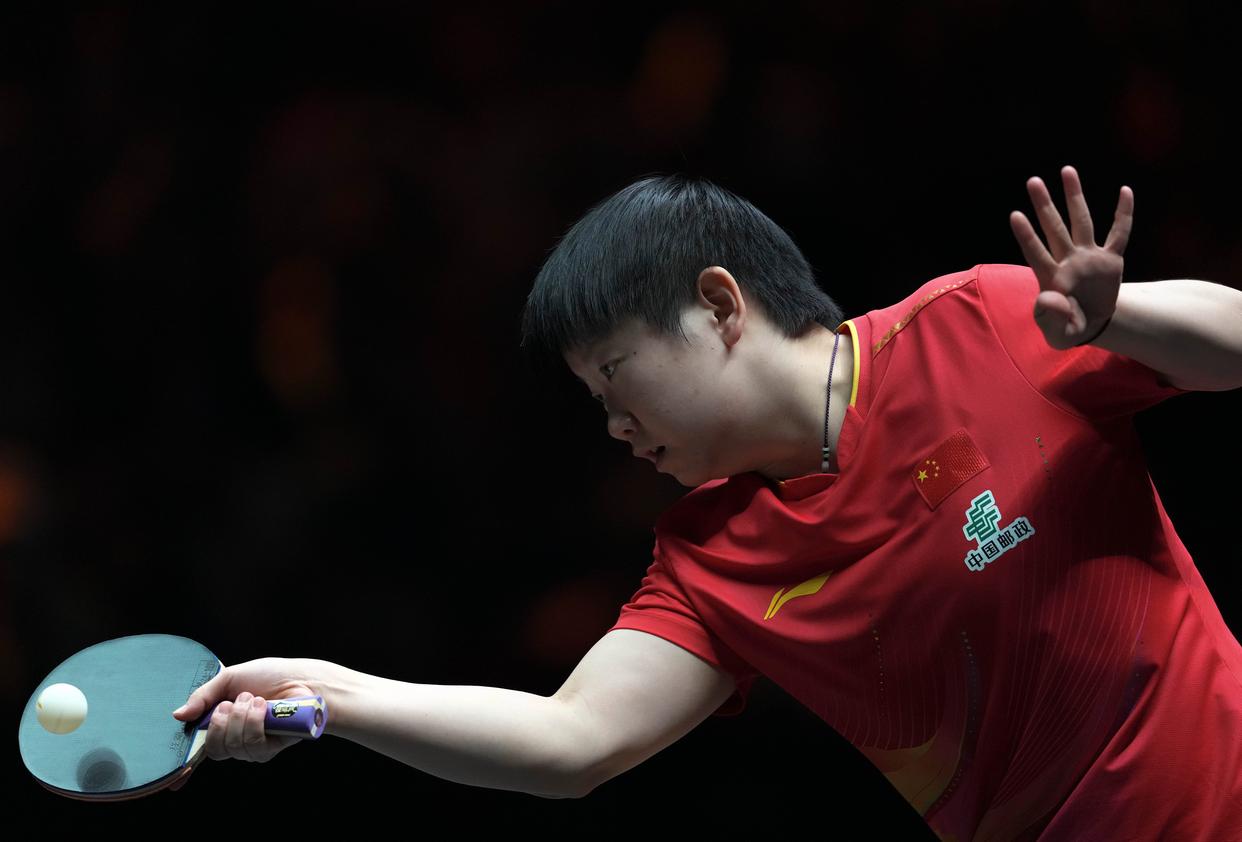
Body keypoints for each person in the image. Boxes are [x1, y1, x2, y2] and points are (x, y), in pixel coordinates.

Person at [174, 166, 1242, 838]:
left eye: (616, 375)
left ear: (720, 305)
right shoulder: (711, 557)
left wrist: (1118, 318)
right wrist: (326, 694)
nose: (614, 426)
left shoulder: (979, 323)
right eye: (594, 399)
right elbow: (570, 740)